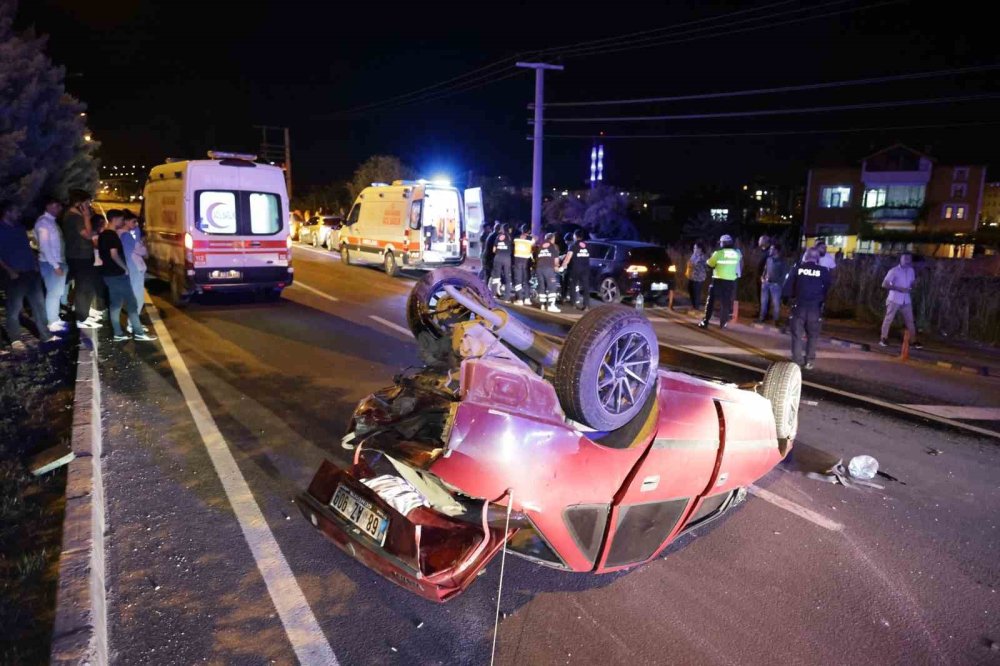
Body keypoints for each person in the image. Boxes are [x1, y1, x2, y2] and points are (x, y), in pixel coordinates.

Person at [0, 200, 60, 349]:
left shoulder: (19, 228)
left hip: (31, 272)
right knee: (14, 308)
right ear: (7, 212)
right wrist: (9, 270)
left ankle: (45, 335)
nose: (19, 214)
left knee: (39, 305)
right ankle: (15, 339)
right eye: (16, 211)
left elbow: (27, 248)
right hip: (14, 275)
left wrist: (35, 264)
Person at [98, 212, 156, 342]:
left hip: (109, 274)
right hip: (118, 274)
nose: (122, 222)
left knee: (116, 304)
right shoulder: (113, 235)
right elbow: (114, 254)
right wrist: (125, 268)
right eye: (121, 219)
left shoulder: (103, 235)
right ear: (114, 220)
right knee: (132, 303)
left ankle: (118, 333)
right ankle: (138, 332)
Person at [782, 247, 831, 370]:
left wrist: (787, 300)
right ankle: (809, 361)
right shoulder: (824, 271)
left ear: (805, 256)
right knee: (813, 336)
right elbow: (827, 289)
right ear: (817, 258)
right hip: (815, 309)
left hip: (799, 307)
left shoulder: (797, 268)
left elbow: (787, 287)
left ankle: (797, 361)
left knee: (797, 335)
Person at [62, 189, 102, 328]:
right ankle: (82, 318)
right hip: (80, 256)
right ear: (79, 203)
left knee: (87, 286)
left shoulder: (73, 215)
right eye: (87, 202)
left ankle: (84, 313)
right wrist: (86, 217)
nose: (89, 205)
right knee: (84, 287)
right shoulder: (75, 217)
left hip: (82, 255)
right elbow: (88, 235)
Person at [34, 196, 68, 333]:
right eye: (56, 205)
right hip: (51, 263)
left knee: (57, 292)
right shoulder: (43, 223)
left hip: (56, 262)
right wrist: (56, 266)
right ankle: (52, 321)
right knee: (53, 293)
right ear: (48, 206)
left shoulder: (51, 221)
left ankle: (54, 318)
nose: (59, 208)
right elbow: (45, 247)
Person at [879, 252, 923, 349]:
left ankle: (913, 340)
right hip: (894, 299)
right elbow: (884, 284)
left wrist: (914, 285)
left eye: (909, 258)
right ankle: (883, 338)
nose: (907, 260)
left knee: (910, 321)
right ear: (901, 259)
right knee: (888, 319)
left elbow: (912, 283)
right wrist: (898, 288)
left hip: (906, 299)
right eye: (905, 258)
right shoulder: (894, 271)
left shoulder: (911, 271)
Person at [699, 234, 742, 329]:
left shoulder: (718, 253)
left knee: (710, 301)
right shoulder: (737, 254)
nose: (720, 244)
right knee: (725, 303)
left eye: (721, 242)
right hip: (730, 281)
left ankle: (705, 321)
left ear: (724, 243)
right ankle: (723, 323)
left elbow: (709, 264)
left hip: (718, 280)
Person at [121, 210, 148, 320]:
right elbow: (141, 250)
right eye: (133, 221)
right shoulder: (126, 236)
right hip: (135, 268)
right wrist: (143, 245)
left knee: (134, 295)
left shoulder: (120, 234)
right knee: (137, 296)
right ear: (126, 221)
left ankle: (133, 323)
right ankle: (133, 324)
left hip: (131, 267)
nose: (135, 224)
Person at [560, 229, 592, 310]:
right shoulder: (588, 245)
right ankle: (586, 306)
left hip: (575, 269)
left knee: (573, 285)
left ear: (575, 236)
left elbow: (568, 258)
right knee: (585, 287)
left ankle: (573, 303)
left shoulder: (573, 246)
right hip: (585, 269)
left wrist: (563, 266)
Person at [758, 245, 787, 326]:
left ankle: (776, 320)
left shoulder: (782, 261)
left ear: (777, 251)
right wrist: (762, 277)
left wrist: (778, 283)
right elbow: (765, 269)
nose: (770, 250)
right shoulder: (768, 259)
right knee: (763, 302)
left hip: (775, 285)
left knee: (776, 303)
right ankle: (761, 318)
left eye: (772, 249)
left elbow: (783, 274)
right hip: (766, 283)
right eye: (770, 249)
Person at [535, 232, 561, 312]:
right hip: (548, 269)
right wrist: (557, 267)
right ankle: (551, 305)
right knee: (552, 286)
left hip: (539, 268)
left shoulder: (540, 246)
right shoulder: (553, 246)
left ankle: (542, 304)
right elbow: (556, 260)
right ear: (552, 239)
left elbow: (537, 257)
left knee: (542, 286)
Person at [489, 224, 513, 300]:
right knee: (507, 277)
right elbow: (512, 249)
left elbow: (493, 250)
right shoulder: (509, 237)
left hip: (497, 257)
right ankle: (507, 297)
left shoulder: (498, 237)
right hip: (506, 258)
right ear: (508, 229)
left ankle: (493, 294)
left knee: (496, 276)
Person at [512, 228, 533, 305]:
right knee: (526, 281)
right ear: (528, 233)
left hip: (517, 262)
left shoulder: (516, 239)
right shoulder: (530, 240)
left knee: (518, 281)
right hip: (527, 263)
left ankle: (520, 299)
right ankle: (527, 299)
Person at [686, 242, 708, 309]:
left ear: (700, 249)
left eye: (695, 248)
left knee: (696, 293)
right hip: (691, 276)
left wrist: (697, 266)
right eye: (694, 248)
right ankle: (693, 306)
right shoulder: (693, 255)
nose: (694, 249)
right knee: (690, 290)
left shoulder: (703, 256)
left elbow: (707, 267)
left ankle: (696, 307)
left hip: (699, 277)